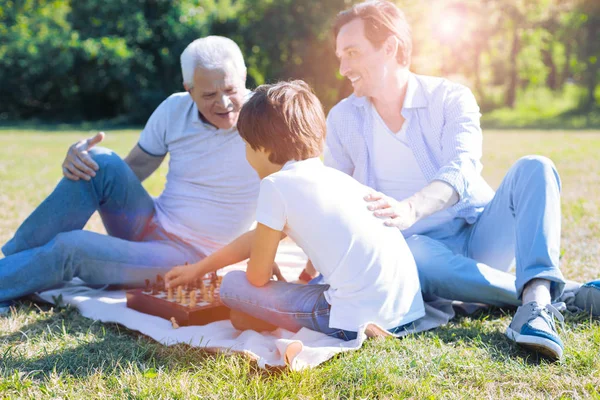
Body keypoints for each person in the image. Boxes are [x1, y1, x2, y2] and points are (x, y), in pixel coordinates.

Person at [323, 0, 600, 359]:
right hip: (410, 257)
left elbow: (462, 169)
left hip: (477, 237)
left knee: (536, 166)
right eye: (339, 56)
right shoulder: (344, 118)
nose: (343, 67)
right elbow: (334, 198)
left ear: (389, 47)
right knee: (417, 248)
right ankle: (559, 294)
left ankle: (534, 307)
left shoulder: (450, 98)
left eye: (352, 53)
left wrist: (411, 208)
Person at [0, 36, 260, 313]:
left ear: (243, 77)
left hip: (189, 258)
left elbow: (299, 186)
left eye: (231, 89)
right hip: (150, 222)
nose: (224, 103)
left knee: (73, 248)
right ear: (190, 89)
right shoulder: (174, 108)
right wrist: (81, 163)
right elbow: (131, 169)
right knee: (99, 161)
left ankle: (13, 274)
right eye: (209, 95)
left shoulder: (266, 117)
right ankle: (14, 266)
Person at [165, 80, 425, 340]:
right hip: (406, 314)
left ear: (263, 148)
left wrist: (261, 266)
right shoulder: (335, 178)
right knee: (246, 313)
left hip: (354, 317)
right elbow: (257, 239)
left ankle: (344, 324)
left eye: (246, 145)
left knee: (233, 285)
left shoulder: (276, 185)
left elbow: (255, 279)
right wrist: (198, 269)